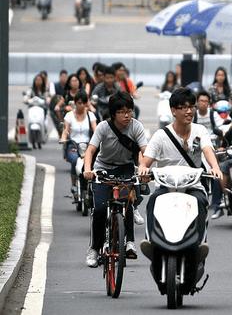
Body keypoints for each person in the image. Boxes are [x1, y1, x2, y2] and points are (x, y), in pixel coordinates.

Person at [138, 88, 222, 275]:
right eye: (183, 107)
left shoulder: (200, 130)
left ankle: (200, 244)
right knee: (152, 202)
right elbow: (146, 160)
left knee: (201, 203)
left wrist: (215, 167)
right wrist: (144, 168)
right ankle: (151, 242)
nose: (189, 111)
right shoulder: (161, 135)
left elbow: (208, 150)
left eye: (191, 107)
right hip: (166, 188)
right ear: (173, 110)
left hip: (193, 186)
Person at [83, 91, 148, 267]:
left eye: (130, 110)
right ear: (113, 113)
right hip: (103, 169)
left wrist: (143, 167)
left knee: (127, 204)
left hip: (125, 169)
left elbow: (144, 151)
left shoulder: (136, 127)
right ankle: (95, 248)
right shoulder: (103, 127)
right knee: (100, 209)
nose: (127, 115)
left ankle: (129, 242)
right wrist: (88, 169)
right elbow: (90, 150)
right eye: (122, 111)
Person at [60, 90, 97, 196]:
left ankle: (91, 185)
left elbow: (96, 130)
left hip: (88, 145)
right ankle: (74, 184)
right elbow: (65, 130)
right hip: (73, 145)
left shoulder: (91, 116)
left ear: (86, 103)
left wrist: (98, 140)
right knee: (75, 161)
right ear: (75, 103)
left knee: (91, 163)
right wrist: (63, 138)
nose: (81, 105)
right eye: (78, 103)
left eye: (83, 103)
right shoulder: (69, 115)